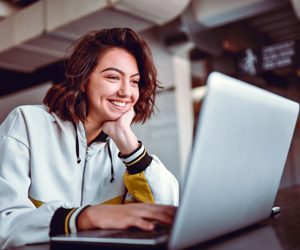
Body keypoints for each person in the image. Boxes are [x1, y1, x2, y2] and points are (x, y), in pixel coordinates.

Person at [0, 28, 179, 249]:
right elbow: (4, 223)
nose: (126, 92)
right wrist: (85, 218)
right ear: (83, 80)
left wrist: (129, 144)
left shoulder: (124, 149)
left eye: (134, 81)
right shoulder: (27, 123)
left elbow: (165, 213)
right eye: (114, 77)